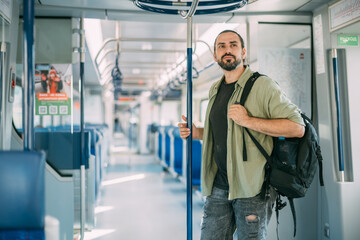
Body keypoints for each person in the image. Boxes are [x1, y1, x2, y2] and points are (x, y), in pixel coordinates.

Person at [178, 30, 305, 240]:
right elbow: (223, 134)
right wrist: (194, 132)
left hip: (252, 187)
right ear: (215, 56)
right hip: (219, 185)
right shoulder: (215, 89)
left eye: (233, 45)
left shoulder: (263, 85)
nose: (227, 50)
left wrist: (248, 120)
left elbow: (296, 127)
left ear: (243, 51)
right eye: (221, 46)